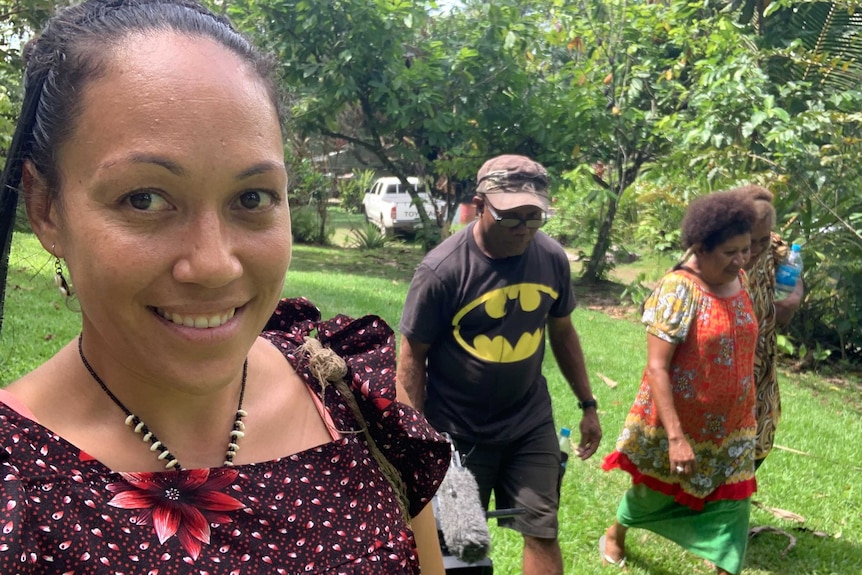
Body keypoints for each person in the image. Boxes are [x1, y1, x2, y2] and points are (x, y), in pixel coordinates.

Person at [0, 1, 450, 573]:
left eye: (252, 198)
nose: (214, 265)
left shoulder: (353, 394)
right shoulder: (18, 490)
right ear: (46, 209)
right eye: (144, 199)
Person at [397, 154, 603, 575]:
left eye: (534, 217)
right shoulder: (442, 270)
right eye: (512, 217)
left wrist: (588, 404)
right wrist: (416, 438)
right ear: (479, 205)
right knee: (456, 545)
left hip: (528, 423)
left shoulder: (551, 259)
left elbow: (563, 332)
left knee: (542, 529)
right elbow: (412, 356)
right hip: (456, 429)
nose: (524, 228)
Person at [600, 189, 759, 575]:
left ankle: (725, 568)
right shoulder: (678, 290)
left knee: (733, 504)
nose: (741, 260)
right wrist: (675, 438)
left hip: (734, 426)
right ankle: (615, 534)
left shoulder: (739, 278)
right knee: (651, 495)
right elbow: (657, 368)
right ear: (700, 248)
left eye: (746, 249)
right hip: (678, 425)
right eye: (730, 252)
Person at [735, 185, 803, 470]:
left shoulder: (772, 245)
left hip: (761, 367)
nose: (756, 250)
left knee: (757, 443)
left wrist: (793, 298)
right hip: (726, 368)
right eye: (751, 240)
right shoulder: (717, 250)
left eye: (763, 240)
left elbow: (795, 268)